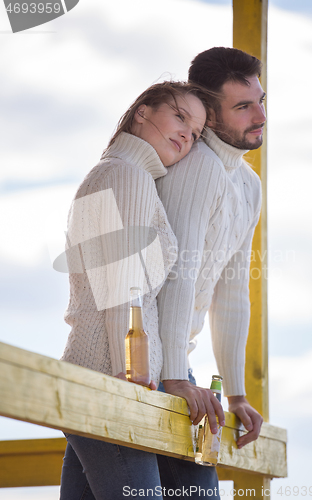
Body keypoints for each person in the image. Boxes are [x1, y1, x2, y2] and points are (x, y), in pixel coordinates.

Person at [59, 81, 211, 499]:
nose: (187, 134)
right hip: (113, 381)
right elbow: (122, 287)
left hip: (105, 378)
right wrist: (133, 377)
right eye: (180, 117)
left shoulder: (124, 174)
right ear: (142, 112)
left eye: (196, 132)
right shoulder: (125, 175)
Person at [155, 47, 266, 493]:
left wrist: (237, 394)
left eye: (261, 100)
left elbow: (233, 292)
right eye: (243, 106)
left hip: (176, 369)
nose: (259, 115)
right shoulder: (196, 166)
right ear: (212, 116)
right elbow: (178, 274)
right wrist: (176, 378)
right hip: (147, 366)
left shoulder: (248, 183)